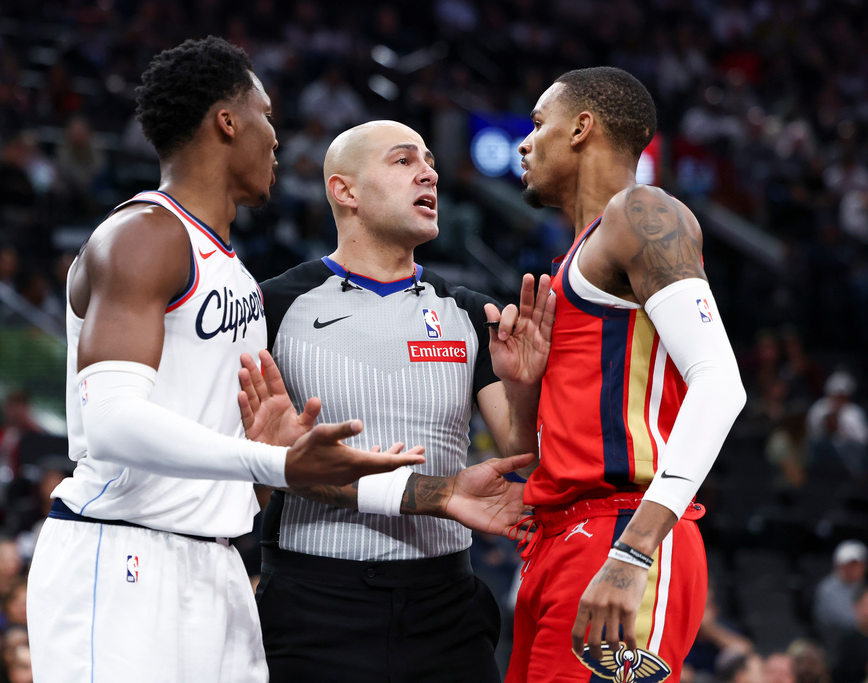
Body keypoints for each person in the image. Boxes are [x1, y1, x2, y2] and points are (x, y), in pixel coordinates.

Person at [24, 36, 424, 683]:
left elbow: (219, 468)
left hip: (217, 569)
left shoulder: (236, 275)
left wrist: (267, 470)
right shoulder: (143, 235)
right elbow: (110, 423)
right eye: (266, 116)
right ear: (227, 121)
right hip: (123, 553)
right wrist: (272, 460)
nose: (276, 137)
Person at [238, 120, 541, 682]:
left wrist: (524, 388)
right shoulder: (270, 306)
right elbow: (250, 471)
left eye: (428, 161)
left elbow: (523, 450)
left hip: (445, 604)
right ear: (344, 190)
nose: (428, 172)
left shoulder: (472, 312)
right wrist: (265, 462)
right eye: (404, 161)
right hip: (313, 603)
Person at [491, 67, 746, 681]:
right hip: (556, 538)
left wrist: (634, 550)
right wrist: (525, 390)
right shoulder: (573, 259)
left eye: (536, 124)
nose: (524, 144)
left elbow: (720, 383)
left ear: (582, 128)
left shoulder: (641, 212)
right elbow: (530, 453)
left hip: (622, 527)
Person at [812, 539, 868, 655]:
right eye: (850, 565)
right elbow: (844, 618)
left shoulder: (864, 587)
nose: (854, 569)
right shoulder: (827, 588)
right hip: (832, 639)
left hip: (857, 638)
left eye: (858, 564)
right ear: (838, 565)